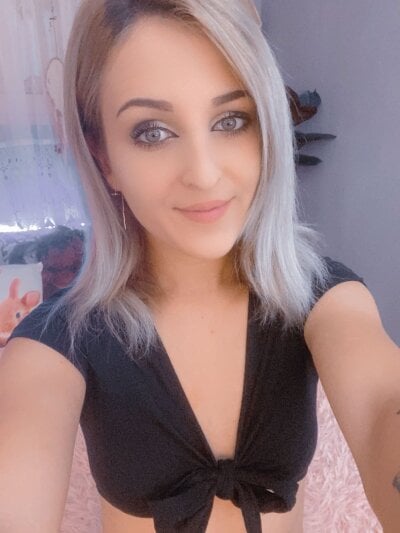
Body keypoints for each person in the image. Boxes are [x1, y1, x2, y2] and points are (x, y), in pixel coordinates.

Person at [1, 1, 399, 532]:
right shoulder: (55, 343)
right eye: (152, 132)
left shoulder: (325, 299)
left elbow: (381, 405)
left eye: (231, 120)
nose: (204, 174)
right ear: (104, 159)